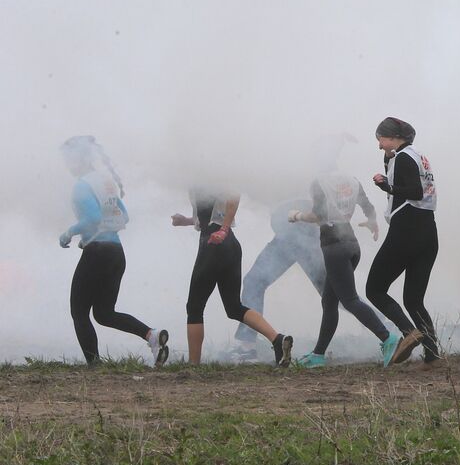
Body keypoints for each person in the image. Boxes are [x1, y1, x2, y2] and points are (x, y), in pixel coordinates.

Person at [287, 159, 415, 368]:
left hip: (333, 246)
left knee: (349, 300)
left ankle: (387, 338)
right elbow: (368, 207)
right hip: (352, 245)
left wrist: (296, 216)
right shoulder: (352, 181)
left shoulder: (319, 182)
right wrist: (373, 222)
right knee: (329, 302)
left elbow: (318, 215)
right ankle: (318, 355)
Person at [58, 136, 168, 367]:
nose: (67, 165)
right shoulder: (105, 182)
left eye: (68, 159)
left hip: (97, 255)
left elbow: (92, 218)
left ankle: (94, 365)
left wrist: (69, 233)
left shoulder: (81, 186)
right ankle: (151, 336)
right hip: (116, 253)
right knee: (104, 313)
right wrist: (93, 235)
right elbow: (123, 216)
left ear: (79, 159)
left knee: (79, 312)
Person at [173, 188, 292, 366]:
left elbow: (234, 195)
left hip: (214, 243)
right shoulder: (200, 177)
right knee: (234, 308)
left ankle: (193, 365)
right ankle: (277, 340)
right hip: (229, 245)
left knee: (194, 307)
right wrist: (187, 221)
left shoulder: (211, 173)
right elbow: (209, 216)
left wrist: (223, 229)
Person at [368, 116, 440, 363]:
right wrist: (389, 166)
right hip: (428, 231)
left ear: (393, 137)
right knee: (413, 298)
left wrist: (388, 187)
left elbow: (414, 191)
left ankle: (409, 332)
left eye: (381, 140)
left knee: (374, 289)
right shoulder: (417, 155)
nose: (379, 145)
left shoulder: (404, 157)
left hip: (406, 229)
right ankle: (432, 354)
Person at [228, 198, 324, 362]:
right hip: (290, 235)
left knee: (337, 293)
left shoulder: (297, 178)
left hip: (295, 235)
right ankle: (247, 346)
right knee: (336, 293)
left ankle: (247, 348)